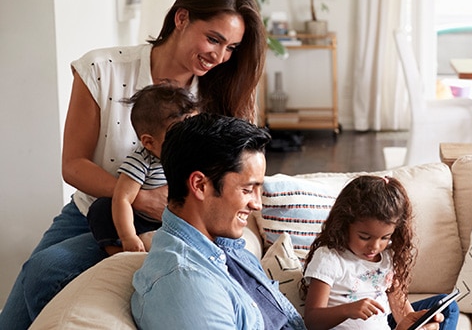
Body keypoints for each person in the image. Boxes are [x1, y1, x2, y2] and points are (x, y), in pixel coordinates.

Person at [0, 0, 266, 328]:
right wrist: (137, 196)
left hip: (168, 222)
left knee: (47, 270)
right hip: (94, 207)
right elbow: (73, 164)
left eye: (231, 48)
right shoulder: (102, 69)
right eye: (213, 39)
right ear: (181, 18)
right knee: (36, 271)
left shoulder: (216, 96)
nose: (220, 56)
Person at [132, 113, 444, 330]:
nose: (256, 203)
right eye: (247, 188)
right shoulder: (186, 284)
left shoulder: (224, 245)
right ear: (200, 185)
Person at [300, 175, 459, 330]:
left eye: (385, 238)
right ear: (344, 224)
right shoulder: (330, 258)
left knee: (447, 307)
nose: (375, 246)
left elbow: (401, 309)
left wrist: (414, 324)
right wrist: (348, 310)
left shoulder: (387, 257)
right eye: (364, 237)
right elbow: (312, 320)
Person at [86, 83, 199, 256]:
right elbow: (122, 198)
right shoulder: (142, 161)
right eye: (178, 136)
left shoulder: (194, 156)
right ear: (149, 142)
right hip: (140, 222)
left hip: (174, 221)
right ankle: (118, 251)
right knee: (102, 207)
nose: (189, 142)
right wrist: (128, 236)